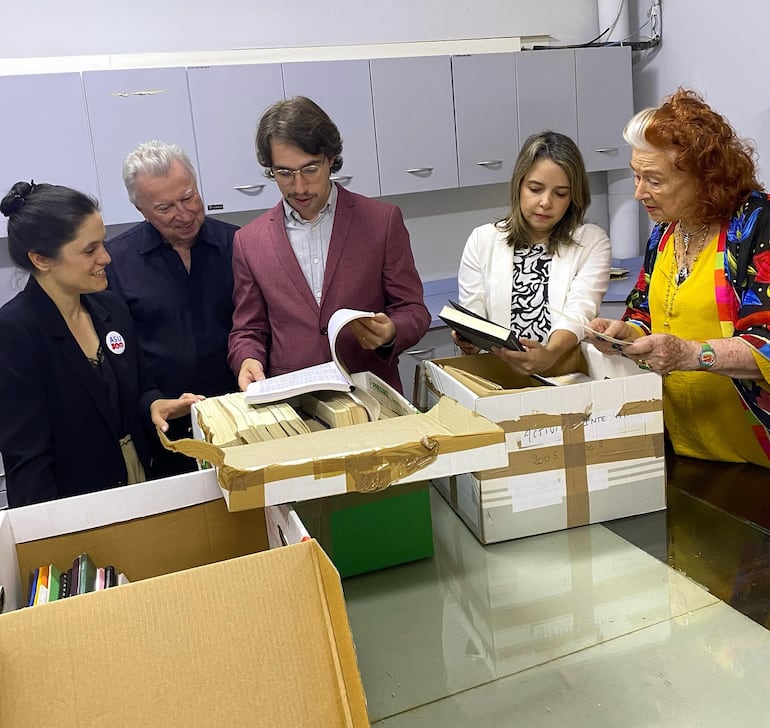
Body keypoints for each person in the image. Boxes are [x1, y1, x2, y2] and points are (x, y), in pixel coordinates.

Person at [587, 88, 770, 468]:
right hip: (683, 446)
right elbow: (644, 313)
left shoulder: (757, 225)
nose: (639, 193)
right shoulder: (667, 230)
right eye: (636, 177)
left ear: (706, 177)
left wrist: (690, 354)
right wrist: (626, 334)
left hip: (755, 455)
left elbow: (766, 342)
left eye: (653, 180)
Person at [0, 181, 203, 507]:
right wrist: (45, 541)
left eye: (103, 244)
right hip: (78, 508)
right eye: (89, 250)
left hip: (143, 484)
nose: (106, 258)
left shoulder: (110, 309)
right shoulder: (15, 331)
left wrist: (154, 405)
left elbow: (141, 386)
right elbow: (28, 459)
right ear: (41, 259)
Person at [228, 96, 431, 394]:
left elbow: (413, 310)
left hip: (370, 392)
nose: (298, 187)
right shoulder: (249, 241)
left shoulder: (382, 221)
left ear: (331, 158)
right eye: (284, 173)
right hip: (295, 400)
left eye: (310, 169)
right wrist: (246, 358)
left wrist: (391, 331)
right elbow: (248, 329)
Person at [106, 141, 238, 478]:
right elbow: (120, 359)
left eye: (189, 197)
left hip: (242, 418)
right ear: (141, 209)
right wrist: (149, 401)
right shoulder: (114, 264)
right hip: (166, 433)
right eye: (165, 208)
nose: (184, 214)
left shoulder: (240, 245)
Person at [455, 131, 611, 375]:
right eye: (535, 189)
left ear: (574, 197)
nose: (546, 202)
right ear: (519, 185)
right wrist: (468, 340)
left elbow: (579, 310)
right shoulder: (482, 240)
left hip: (565, 375)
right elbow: (474, 314)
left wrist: (549, 354)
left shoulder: (591, 241)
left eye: (560, 193)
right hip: (498, 377)